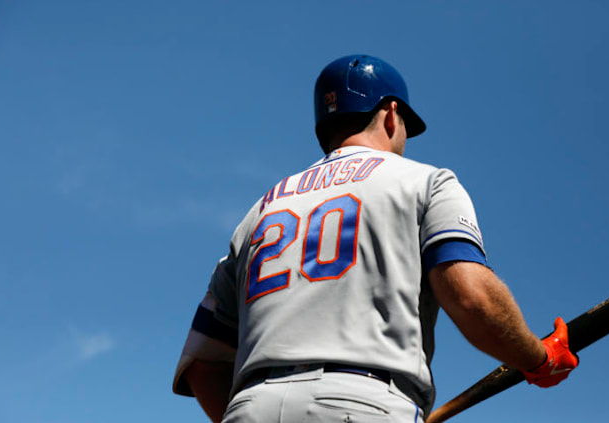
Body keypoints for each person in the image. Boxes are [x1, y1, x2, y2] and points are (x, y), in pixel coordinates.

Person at [172, 54, 578, 422]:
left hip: (250, 406)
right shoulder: (426, 181)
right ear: (390, 113)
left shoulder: (260, 210)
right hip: (364, 402)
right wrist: (538, 358)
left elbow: (203, 365)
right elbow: (471, 296)